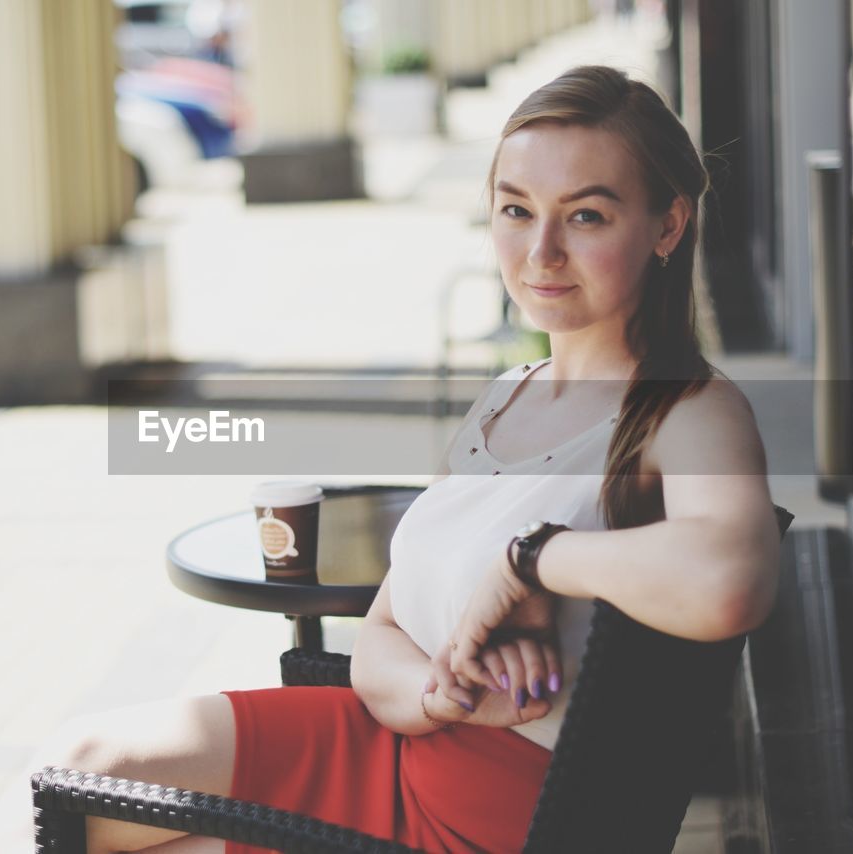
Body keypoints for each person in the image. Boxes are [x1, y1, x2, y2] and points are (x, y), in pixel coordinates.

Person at [54, 65, 782, 854]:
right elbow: (381, 636)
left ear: (667, 226)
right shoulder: (506, 395)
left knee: (96, 819)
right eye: (516, 209)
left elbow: (729, 581)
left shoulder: (687, 409)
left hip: (490, 817)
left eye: (587, 216)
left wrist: (534, 560)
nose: (541, 250)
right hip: (405, 737)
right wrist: (445, 692)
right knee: (82, 775)